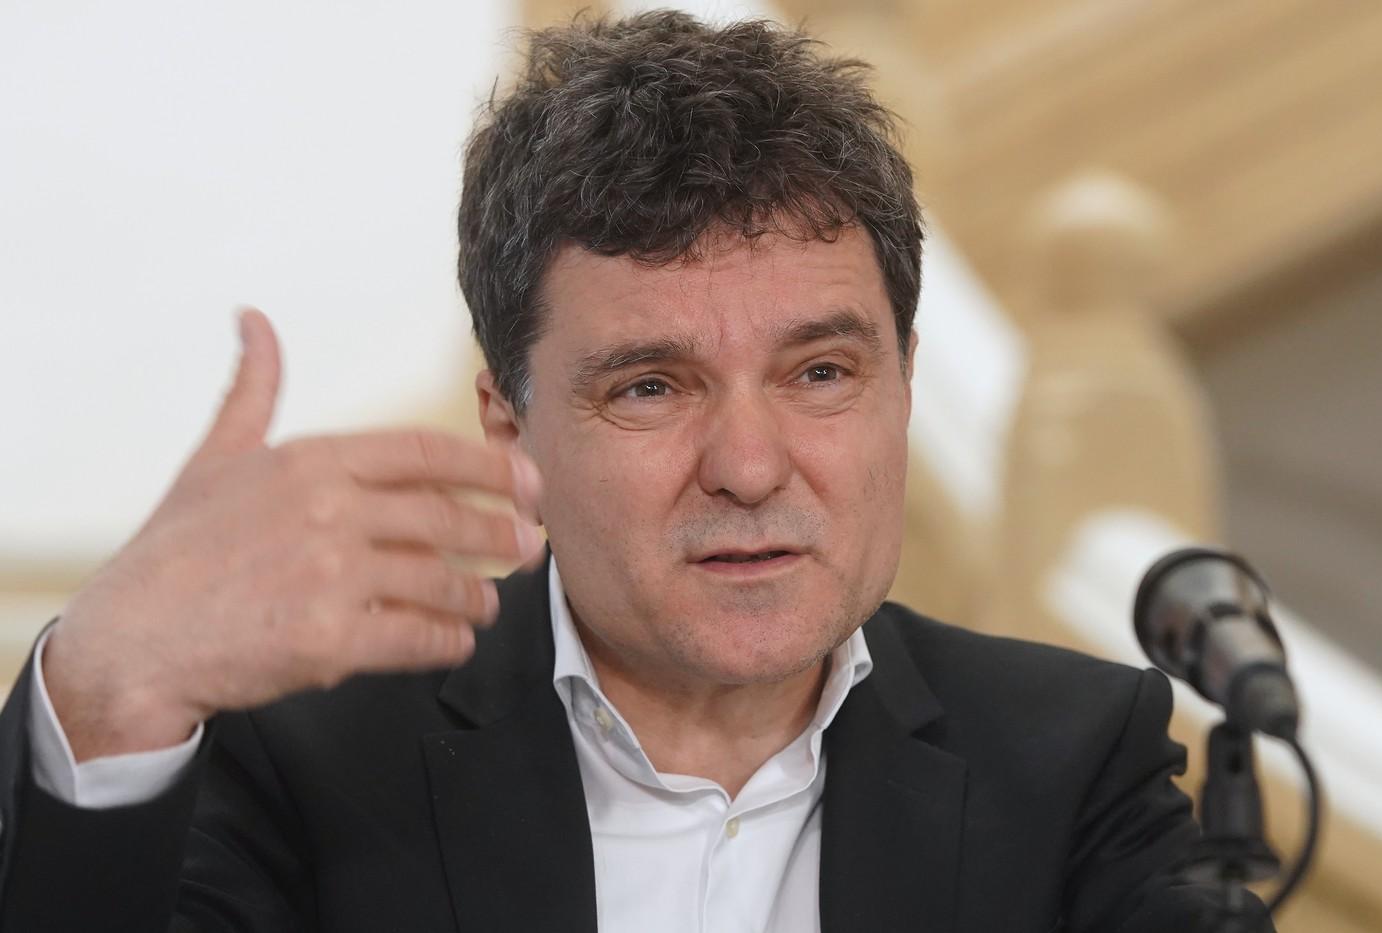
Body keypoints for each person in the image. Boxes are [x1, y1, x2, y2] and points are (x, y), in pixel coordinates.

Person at [0, 11, 1271, 932]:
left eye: (820, 373)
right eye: (650, 387)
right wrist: (110, 691)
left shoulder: (1072, 758)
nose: (749, 466)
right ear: (511, 428)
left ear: (901, 383)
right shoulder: (313, 759)